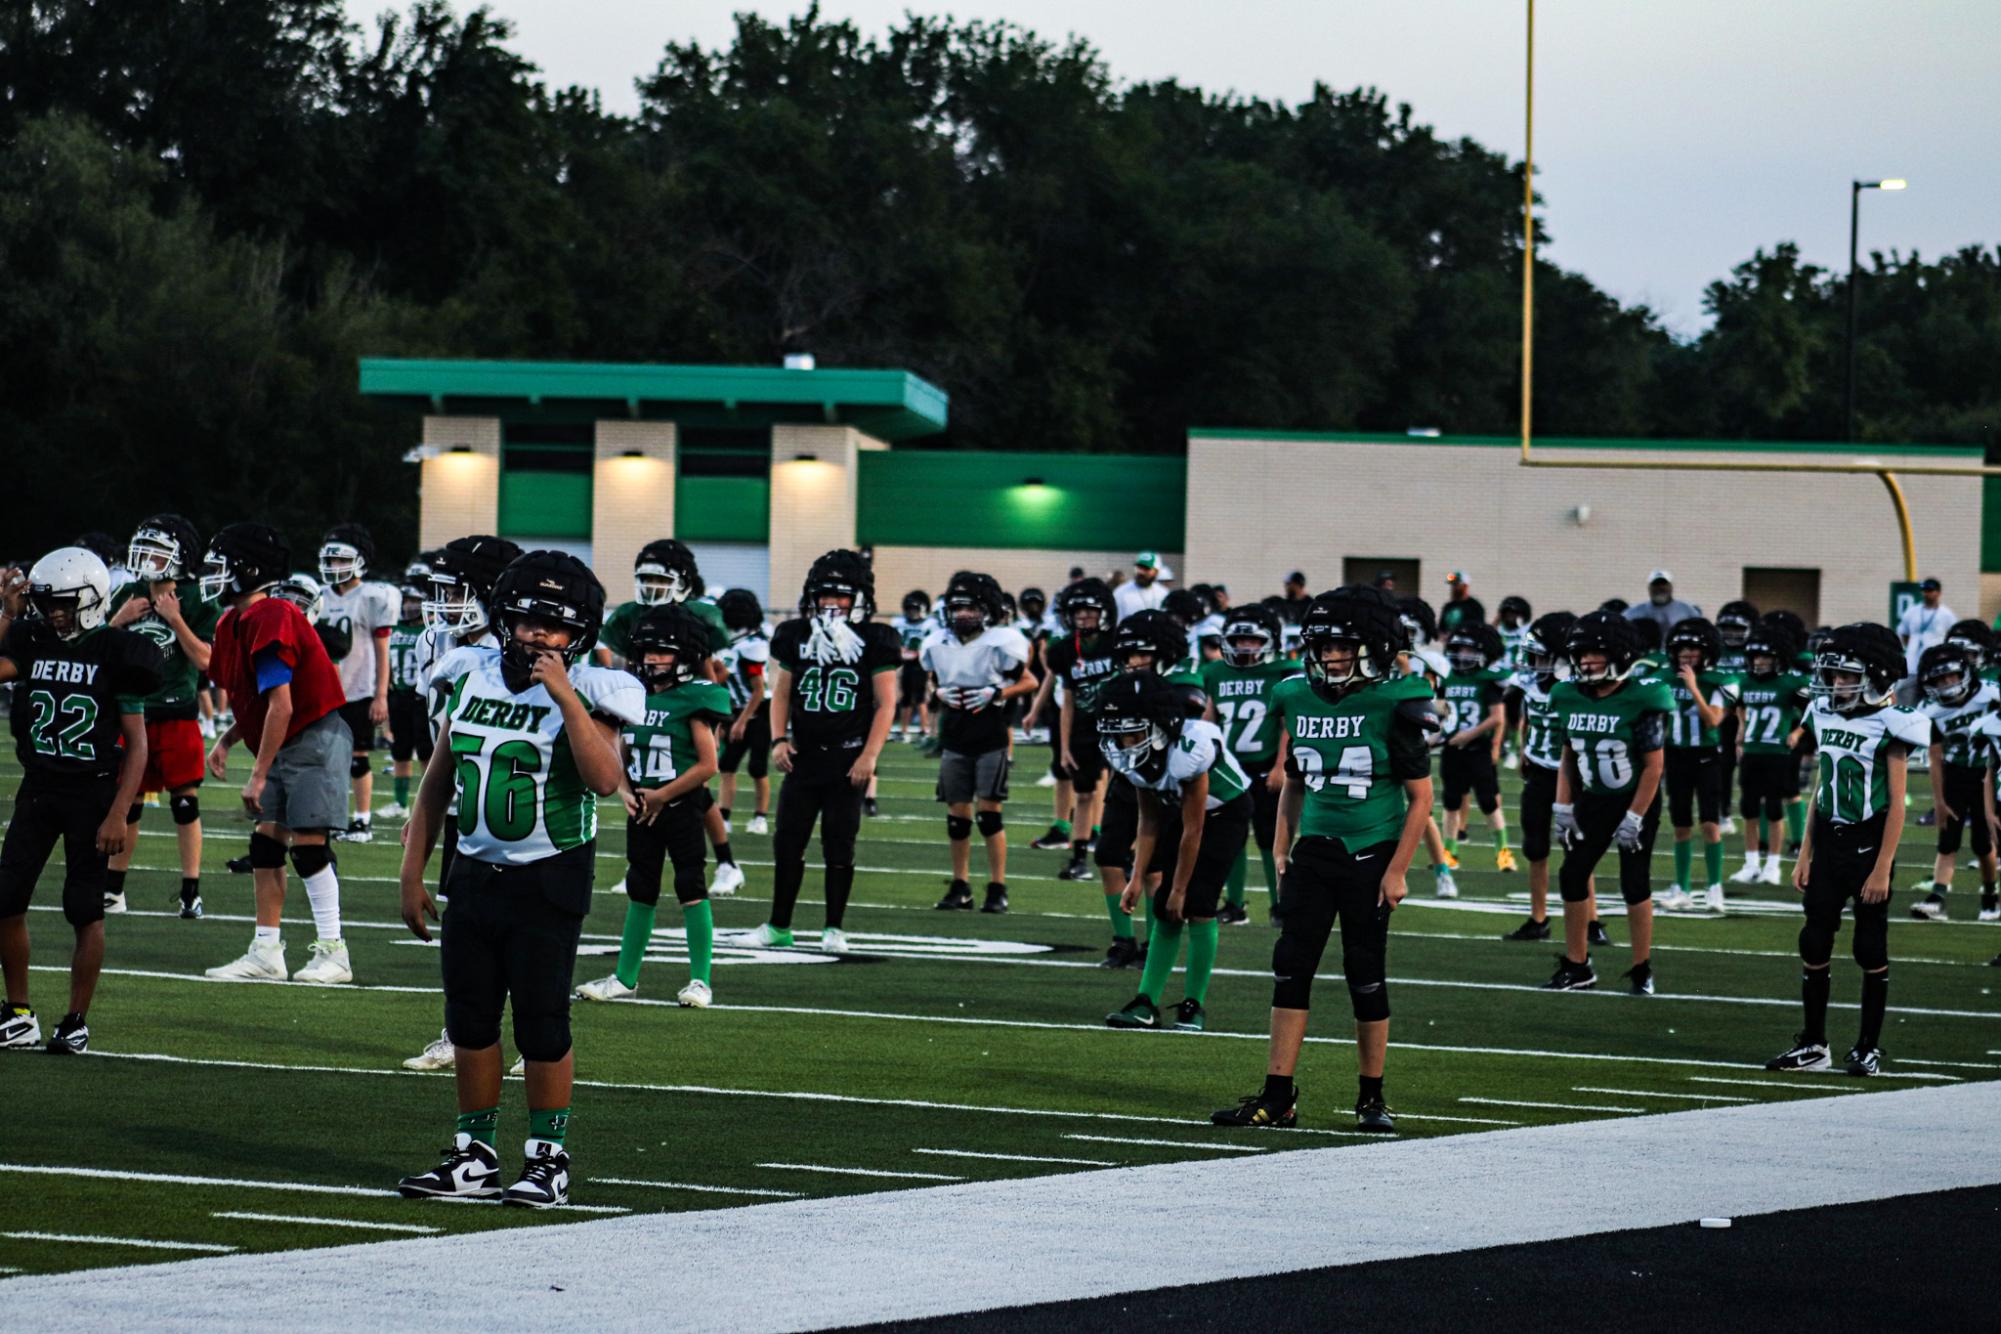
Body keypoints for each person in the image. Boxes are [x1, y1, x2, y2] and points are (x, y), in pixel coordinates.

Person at [396, 550, 642, 1207]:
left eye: (553, 626)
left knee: (540, 1022)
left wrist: (564, 696)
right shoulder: (471, 674)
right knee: (470, 1020)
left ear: (579, 635)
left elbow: (605, 780)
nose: (536, 635)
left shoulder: (592, 687)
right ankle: (473, 1155)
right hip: (473, 867)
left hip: (549, 869)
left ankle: (547, 1159)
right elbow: (436, 783)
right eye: (527, 619)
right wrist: (411, 868)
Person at [1211, 587, 1434, 1133]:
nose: (1330, 655)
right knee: (1290, 968)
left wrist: (1399, 868)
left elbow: (1421, 797)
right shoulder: (1293, 694)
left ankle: (1372, 1098)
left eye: (1343, 645)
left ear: (1374, 646)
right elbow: (1293, 777)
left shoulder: (1394, 701)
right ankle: (1278, 1095)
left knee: (1365, 974)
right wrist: (1284, 842)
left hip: (1370, 851)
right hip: (1315, 850)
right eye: (1323, 645)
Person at [0, 548, 160, 1053]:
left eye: (64, 603)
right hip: (40, 787)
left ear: (91, 599)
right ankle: (19, 1013)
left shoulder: (117, 652)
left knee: (84, 908)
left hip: (92, 791)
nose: (54, 612)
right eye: (48, 603)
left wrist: (119, 812)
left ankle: (75, 1020)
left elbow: (137, 746)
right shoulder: (35, 639)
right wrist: (8, 610)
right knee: (5, 899)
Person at [1766, 623, 1925, 1077]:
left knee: (1869, 948)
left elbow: (1897, 803)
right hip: (1830, 842)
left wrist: (1883, 867)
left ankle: (1867, 1047)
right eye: (1833, 675)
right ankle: (1815, 1044)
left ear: (1876, 676)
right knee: (1813, 939)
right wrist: (1804, 854)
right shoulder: (1823, 711)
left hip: (1870, 842)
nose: (1836, 684)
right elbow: (1823, 785)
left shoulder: (1893, 721)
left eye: (1845, 675)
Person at [202, 524, 357, 985]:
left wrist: (258, 774)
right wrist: (228, 738)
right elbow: (258, 697)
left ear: (248, 570)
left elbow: (283, 703)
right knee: (266, 844)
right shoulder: (233, 621)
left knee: (309, 845)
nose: (213, 576)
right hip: (287, 736)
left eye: (220, 567)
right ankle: (267, 950)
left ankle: (334, 951)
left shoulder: (272, 614)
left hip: (312, 736)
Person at [400, 534, 525, 1074]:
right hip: (459, 803)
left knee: (523, 928)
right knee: (465, 924)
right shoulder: (443, 645)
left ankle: (533, 1035)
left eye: (455, 590)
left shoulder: (516, 654)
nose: (441, 602)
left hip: (517, 810)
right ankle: (461, 1031)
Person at [740, 550, 900, 953]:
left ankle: (834, 927)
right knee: (788, 841)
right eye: (824, 594)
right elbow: (782, 693)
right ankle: (779, 924)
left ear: (859, 597)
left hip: (848, 758)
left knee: (839, 842)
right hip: (804, 754)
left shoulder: (876, 638)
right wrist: (779, 738)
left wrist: (869, 756)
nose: (830, 602)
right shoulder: (796, 633)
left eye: (841, 595)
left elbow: (886, 704)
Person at [576, 605, 732, 1007]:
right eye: (647, 651)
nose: (650, 659)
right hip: (643, 807)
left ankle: (701, 980)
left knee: (690, 886)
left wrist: (663, 795)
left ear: (684, 656)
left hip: (679, 806)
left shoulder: (694, 699)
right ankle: (625, 977)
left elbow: (708, 765)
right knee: (640, 889)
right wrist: (627, 791)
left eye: (661, 652)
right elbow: (621, 751)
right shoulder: (634, 695)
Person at [1100, 671, 1252, 1032]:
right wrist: (1136, 877)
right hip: (1181, 813)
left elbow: (1194, 828)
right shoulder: (1137, 758)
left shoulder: (1190, 748)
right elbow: (1150, 820)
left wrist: (1181, 887)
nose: (1124, 742)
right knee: (1165, 909)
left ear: (1159, 726)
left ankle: (1193, 1004)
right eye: (1118, 733)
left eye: (1133, 732)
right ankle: (1146, 1002)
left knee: (1196, 905)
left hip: (1225, 812)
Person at [597, 539, 743, 896]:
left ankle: (726, 862)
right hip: (647, 704)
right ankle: (645, 867)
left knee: (695, 787)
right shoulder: (631, 614)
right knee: (640, 779)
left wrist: (696, 707)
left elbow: (711, 676)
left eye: (661, 581)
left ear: (682, 582)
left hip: (688, 709)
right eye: (647, 579)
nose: (652, 588)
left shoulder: (698, 616)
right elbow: (631, 665)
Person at [1541, 611, 1673, 995]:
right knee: (1571, 874)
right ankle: (1578, 965)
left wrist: (1635, 817)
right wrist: (1562, 806)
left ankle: (1641, 967)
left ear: (1618, 654)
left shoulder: (1643, 695)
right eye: (1580, 654)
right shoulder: (1567, 694)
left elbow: (1654, 766)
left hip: (1636, 798)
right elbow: (1568, 756)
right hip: (1594, 798)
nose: (1584, 661)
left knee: (1635, 882)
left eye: (1594, 653)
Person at [104, 514, 219, 919]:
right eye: (145, 550)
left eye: (157, 552)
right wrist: (117, 621)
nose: (146, 558)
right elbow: (97, 646)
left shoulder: (199, 597)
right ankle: (113, 889)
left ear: (179, 557)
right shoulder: (127, 592)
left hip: (177, 711)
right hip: (132, 711)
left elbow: (207, 660)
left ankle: (191, 891)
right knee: (127, 802)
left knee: (184, 804)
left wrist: (175, 618)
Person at [924, 573, 1036, 914]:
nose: (961, 615)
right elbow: (933, 680)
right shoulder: (937, 642)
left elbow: (1029, 680)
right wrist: (938, 692)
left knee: (989, 816)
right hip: (955, 732)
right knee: (957, 817)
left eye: (969, 607)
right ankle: (960, 885)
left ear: (986, 610)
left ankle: (997, 887)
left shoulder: (1000, 641)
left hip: (989, 733)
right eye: (956, 608)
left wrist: (997, 692)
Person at [1503, 611, 1611, 943]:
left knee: (1578, 849)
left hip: (1572, 777)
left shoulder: (1577, 689)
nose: (1534, 662)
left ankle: (1591, 920)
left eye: (1541, 656)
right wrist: (1523, 750)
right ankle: (1539, 919)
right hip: (1538, 772)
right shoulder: (1529, 685)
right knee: (1535, 847)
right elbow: (1526, 718)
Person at [1199, 604, 1299, 924]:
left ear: (1269, 641)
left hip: (1264, 765)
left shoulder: (1283, 671)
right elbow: (1209, 718)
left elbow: (1288, 722)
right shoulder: (1215, 672)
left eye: (1253, 640)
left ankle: (1280, 903)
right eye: (1239, 639)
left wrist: (1281, 765)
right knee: (1231, 839)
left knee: (1271, 839)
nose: (1245, 646)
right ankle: (1235, 903)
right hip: (1228, 770)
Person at [315, 523, 396, 843]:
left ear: (360, 560)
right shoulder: (318, 596)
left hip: (359, 689)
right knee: (324, 760)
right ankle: (332, 817)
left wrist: (381, 695)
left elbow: (382, 650)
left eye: (341, 560)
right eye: (330, 560)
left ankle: (362, 821)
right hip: (323, 691)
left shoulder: (373, 596)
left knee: (359, 758)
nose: (335, 566)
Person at [1909, 642, 1999, 921]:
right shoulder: (1931, 710)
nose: (1947, 683)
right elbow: (1935, 757)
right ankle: (1937, 897)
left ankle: (1989, 895)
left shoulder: (1991, 695)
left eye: (1952, 675)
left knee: (1983, 843)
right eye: (1940, 678)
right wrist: (1938, 800)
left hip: (1988, 774)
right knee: (1948, 841)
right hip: (1955, 775)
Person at [1043, 579, 1121, 889]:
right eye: (1078, 612)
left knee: (1122, 794)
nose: (1084, 617)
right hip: (1084, 729)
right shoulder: (1064, 650)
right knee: (1085, 793)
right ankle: (1078, 856)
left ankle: (1123, 853)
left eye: (1090, 611)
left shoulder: (1117, 643)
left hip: (1118, 725)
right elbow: (1069, 702)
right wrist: (1064, 746)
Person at [1660, 617, 1739, 915]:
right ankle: (1682, 888)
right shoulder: (1665, 678)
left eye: (1693, 651)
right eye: (1682, 650)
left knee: (1710, 824)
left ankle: (1714, 888)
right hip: (1676, 755)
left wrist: (1693, 687)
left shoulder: (1718, 681)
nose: (1687, 656)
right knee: (1681, 826)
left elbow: (1713, 720)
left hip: (1706, 755)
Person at [1731, 622, 1811, 887]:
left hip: (1777, 752)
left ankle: (1773, 865)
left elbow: (1813, 711)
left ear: (1779, 658)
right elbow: (1740, 706)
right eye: (1756, 656)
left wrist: (1797, 734)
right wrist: (1741, 729)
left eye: (1765, 656)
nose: (1759, 661)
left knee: (1775, 809)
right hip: (1752, 751)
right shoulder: (1745, 681)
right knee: (1749, 809)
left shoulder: (1791, 682)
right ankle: (1752, 863)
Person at [1437, 621, 1514, 874]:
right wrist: (1435, 736)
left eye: (1468, 650)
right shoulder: (1447, 678)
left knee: (1489, 802)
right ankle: (1450, 852)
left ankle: (1503, 853)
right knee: (1450, 802)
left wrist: (1468, 736)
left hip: (1477, 748)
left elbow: (1497, 718)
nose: (1462, 655)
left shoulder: (1487, 681)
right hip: (1452, 749)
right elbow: (1443, 713)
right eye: (1458, 649)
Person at [714, 588, 772, 836]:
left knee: (758, 767)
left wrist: (741, 722)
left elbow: (758, 690)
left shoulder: (754, 644)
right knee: (727, 765)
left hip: (758, 712)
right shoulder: (733, 641)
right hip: (737, 709)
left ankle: (760, 817)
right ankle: (724, 815)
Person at [381, 562, 432, 821]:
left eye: (414, 600)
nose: (409, 605)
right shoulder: (394, 629)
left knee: (426, 752)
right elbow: (387, 664)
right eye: (406, 600)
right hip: (399, 694)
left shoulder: (431, 629)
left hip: (422, 696)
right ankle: (401, 803)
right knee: (400, 751)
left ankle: (430, 803)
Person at [890, 590, 934, 744]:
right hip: (908, 664)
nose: (912, 612)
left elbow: (930, 646)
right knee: (906, 699)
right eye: (910, 609)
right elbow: (897, 644)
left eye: (916, 609)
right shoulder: (899, 622)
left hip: (921, 665)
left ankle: (925, 730)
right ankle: (904, 730)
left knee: (921, 698)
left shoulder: (930, 624)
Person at [1896, 577, 1956, 686]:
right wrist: (1912, 646)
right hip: (1912, 665)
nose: (1926, 594)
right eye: (1924, 591)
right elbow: (1904, 632)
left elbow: (1952, 636)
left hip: (1935, 664)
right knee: (1905, 693)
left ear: (1938, 593)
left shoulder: (1946, 614)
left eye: (1930, 591)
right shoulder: (1912, 611)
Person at [1623, 569, 1701, 635]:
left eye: (1663, 584)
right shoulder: (1635, 612)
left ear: (1671, 587)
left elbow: (1701, 629)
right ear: (1649, 588)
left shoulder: (1687, 611)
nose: (1660, 587)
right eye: (1656, 584)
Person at [1113, 552, 1167, 621]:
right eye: (1139, 568)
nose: (1141, 572)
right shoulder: (1121, 592)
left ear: (1156, 571)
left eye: (1146, 569)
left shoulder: (1163, 594)